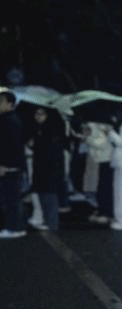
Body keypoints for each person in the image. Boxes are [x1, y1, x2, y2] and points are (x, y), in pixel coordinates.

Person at [27, 107, 68, 231]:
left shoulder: (51, 128)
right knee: (43, 195)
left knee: (49, 195)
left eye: (41, 114)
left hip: (49, 168)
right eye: (36, 114)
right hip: (42, 166)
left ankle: (51, 222)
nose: (38, 116)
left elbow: (48, 148)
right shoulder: (40, 128)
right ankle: (48, 221)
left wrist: (34, 144)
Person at [0, 89, 26, 238]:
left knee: (12, 198)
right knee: (10, 198)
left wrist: (4, 165)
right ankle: (13, 227)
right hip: (9, 165)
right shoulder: (7, 119)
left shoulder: (10, 120)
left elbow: (11, 146)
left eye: (1, 101)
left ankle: (14, 228)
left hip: (10, 166)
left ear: (10, 104)